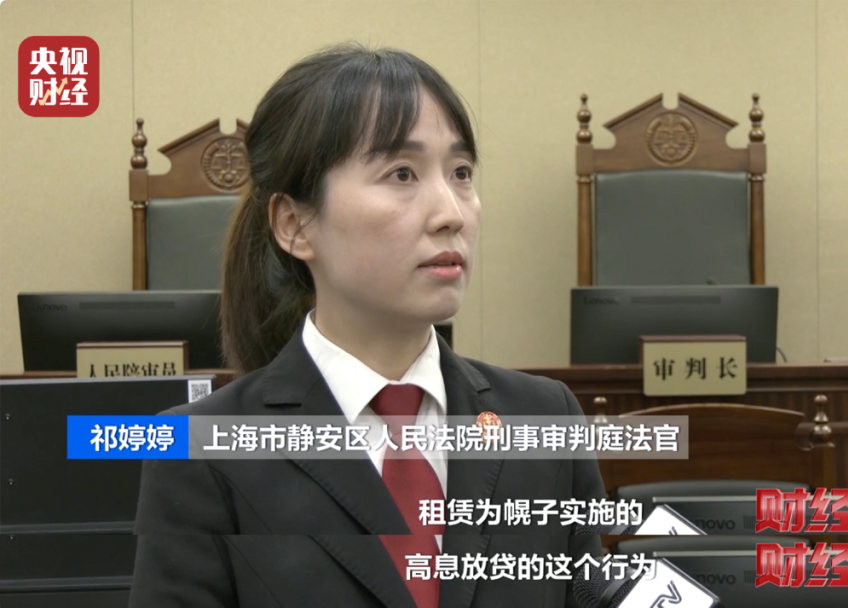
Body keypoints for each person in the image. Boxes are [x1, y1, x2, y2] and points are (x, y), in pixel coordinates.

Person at [129, 43, 605, 608]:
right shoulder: (199, 453)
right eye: (401, 173)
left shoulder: (544, 417)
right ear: (294, 224)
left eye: (461, 173)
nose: (451, 213)